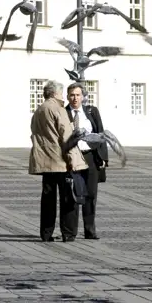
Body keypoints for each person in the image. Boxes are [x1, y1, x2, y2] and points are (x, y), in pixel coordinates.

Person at [29, 80, 88, 243]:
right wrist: (73, 160)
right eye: (61, 93)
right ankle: (68, 233)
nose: (63, 96)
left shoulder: (38, 110)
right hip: (61, 161)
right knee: (67, 198)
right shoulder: (59, 110)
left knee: (48, 199)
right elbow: (66, 137)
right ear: (55, 93)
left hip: (45, 161)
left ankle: (46, 233)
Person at [65, 83, 108, 240]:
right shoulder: (64, 113)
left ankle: (90, 230)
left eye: (77, 95)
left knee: (91, 194)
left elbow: (100, 133)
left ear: (82, 97)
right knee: (73, 194)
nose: (75, 98)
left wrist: (103, 158)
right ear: (67, 96)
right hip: (73, 156)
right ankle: (71, 232)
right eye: (71, 95)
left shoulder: (91, 112)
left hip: (90, 156)